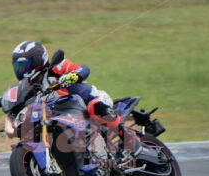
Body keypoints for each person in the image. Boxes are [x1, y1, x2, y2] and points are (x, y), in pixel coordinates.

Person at [11, 40, 140, 157]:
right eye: (18, 67)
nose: (21, 71)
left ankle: (130, 140)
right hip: (64, 113)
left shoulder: (56, 67)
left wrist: (74, 75)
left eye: (24, 66)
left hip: (88, 101)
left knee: (94, 106)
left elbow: (83, 69)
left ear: (38, 61)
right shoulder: (30, 87)